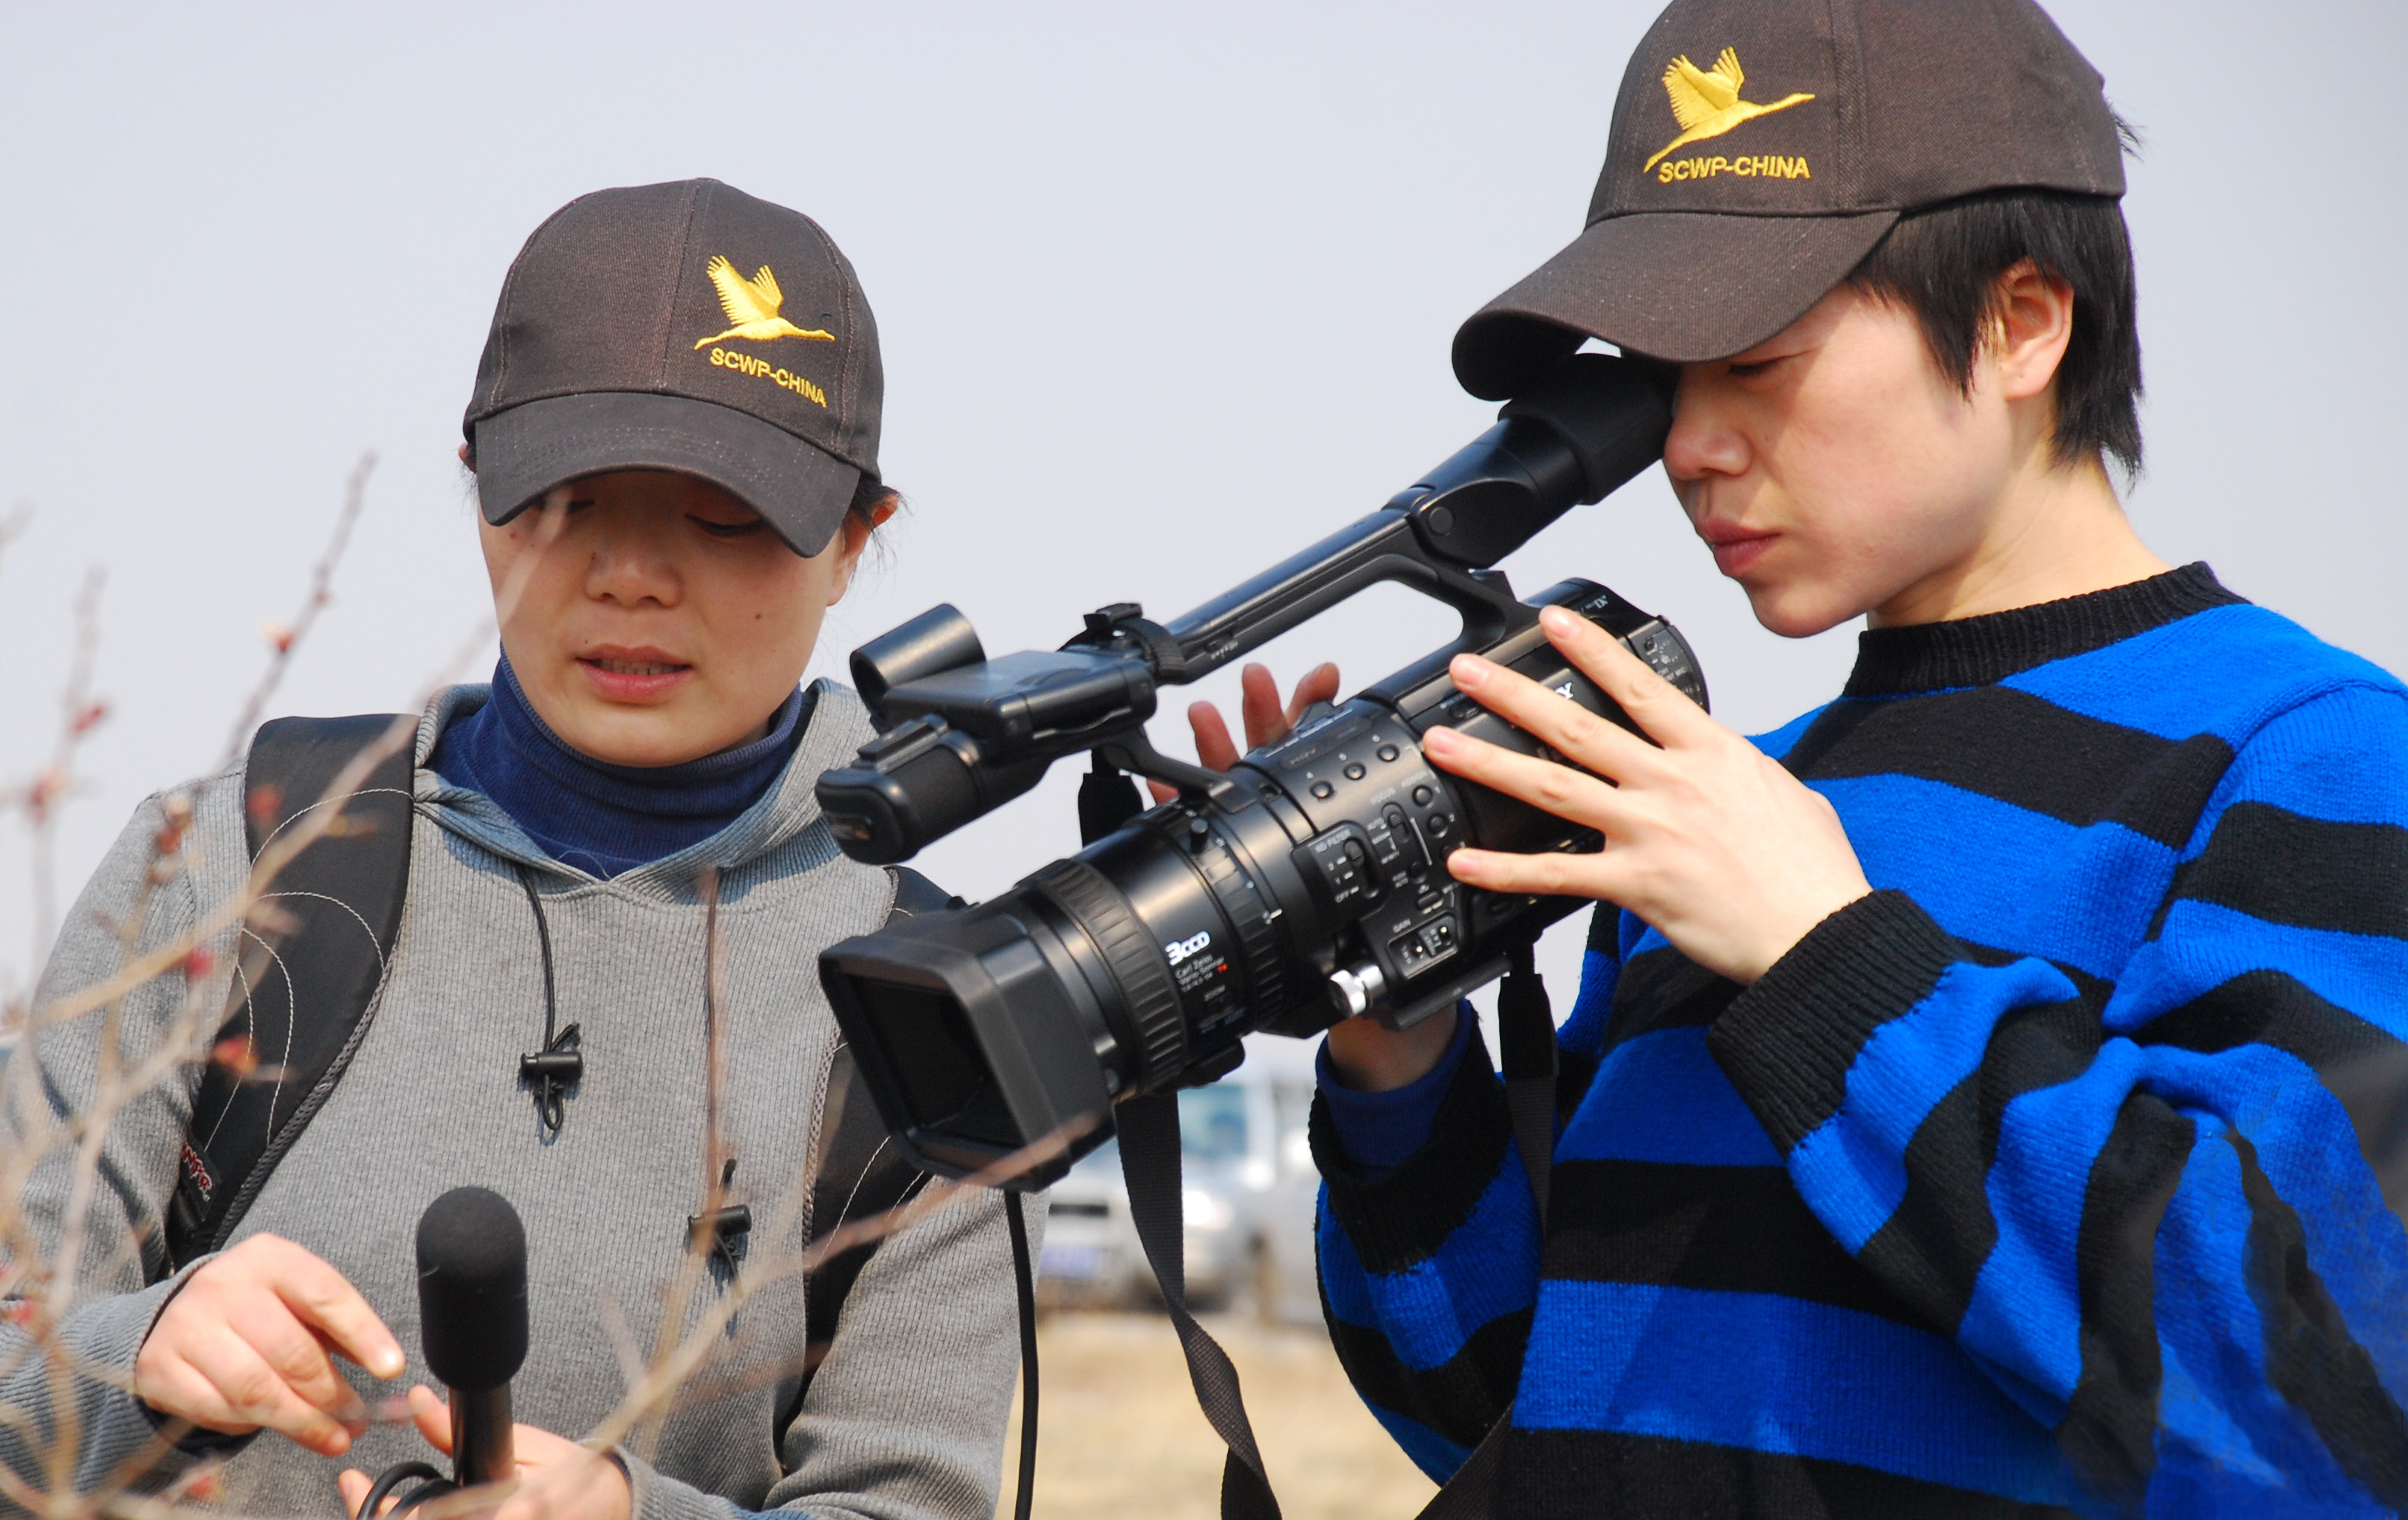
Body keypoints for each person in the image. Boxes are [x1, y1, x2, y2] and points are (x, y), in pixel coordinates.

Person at [1181, 1, 2408, 1515]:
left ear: (2022, 323)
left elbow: (2312, 1407)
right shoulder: (1714, 811)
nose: (1688, 446)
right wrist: (1396, 1037)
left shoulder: (2311, 760)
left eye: (1755, 362)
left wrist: (1828, 962)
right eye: (1659, 382)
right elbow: (1513, 1409)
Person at [1, 179, 1034, 1520]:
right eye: (569, 496)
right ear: (480, 490)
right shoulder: (230, 865)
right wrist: (127, 1357)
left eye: (723, 512)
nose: (631, 573)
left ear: (852, 541)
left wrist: (632, 1514)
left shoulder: (934, 1008)